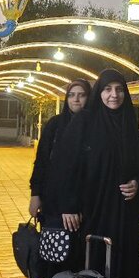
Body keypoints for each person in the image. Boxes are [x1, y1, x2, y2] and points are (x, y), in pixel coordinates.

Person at [51, 70, 139, 278]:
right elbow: (65, 165)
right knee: (92, 272)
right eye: (107, 89)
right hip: (92, 215)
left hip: (124, 217)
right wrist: (69, 205)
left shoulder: (129, 124)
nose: (114, 95)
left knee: (128, 273)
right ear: (99, 93)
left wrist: (138, 183)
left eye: (119, 89)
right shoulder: (84, 124)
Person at [29, 79, 91, 223]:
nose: (75, 99)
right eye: (71, 95)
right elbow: (41, 161)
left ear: (89, 98)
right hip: (53, 198)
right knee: (56, 234)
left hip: (86, 201)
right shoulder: (55, 125)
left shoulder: (95, 126)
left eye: (81, 95)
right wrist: (35, 194)